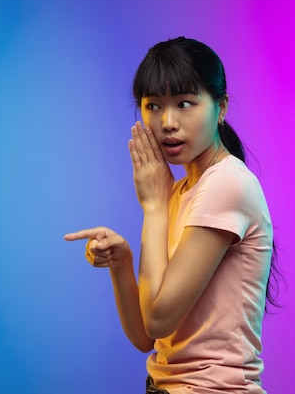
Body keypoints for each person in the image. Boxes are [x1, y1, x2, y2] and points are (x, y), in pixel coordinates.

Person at [65, 37, 279, 394]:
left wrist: (153, 206)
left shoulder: (226, 183)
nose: (167, 122)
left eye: (184, 103)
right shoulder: (182, 192)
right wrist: (122, 263)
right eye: (152, 106)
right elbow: (147, 336)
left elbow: (159, 318)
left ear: (221, 107)